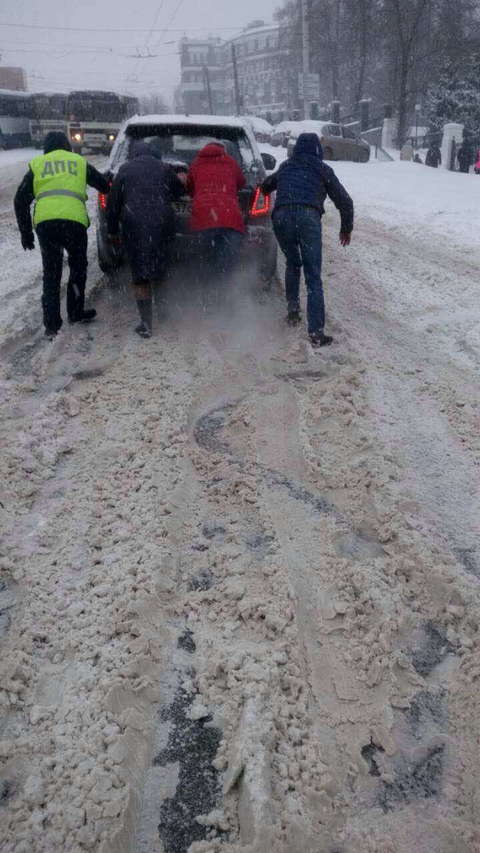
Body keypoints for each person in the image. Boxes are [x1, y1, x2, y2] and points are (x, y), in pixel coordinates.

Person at [14, 131, 110, 339]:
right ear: (67, 145)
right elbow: (103, 185)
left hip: (46, 225)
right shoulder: (78, 161)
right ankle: (75, 313)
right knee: (77, 267)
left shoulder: (38, 164)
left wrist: (26, 233)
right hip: (74, 223)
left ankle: (51, 324)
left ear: (46, 147)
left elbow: (20, 199)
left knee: (51, 272)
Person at [261, 132, 353, 347]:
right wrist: (345, 229)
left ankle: (293, 312)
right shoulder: (322, 169)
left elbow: (265, 186)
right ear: (317, 150)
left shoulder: (286, 166)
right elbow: (345, 201)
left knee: (293, 263)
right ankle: (316, 333)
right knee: (313, 275)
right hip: (307, 218)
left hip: (281, 217)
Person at [106, 141, 186, 339]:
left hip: (134, 225)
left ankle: (146, 322)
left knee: (140, 274)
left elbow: (113, 204)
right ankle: (164, 314)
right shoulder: (164, 168)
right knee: (160, 268)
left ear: (134, 154)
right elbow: (179, 191)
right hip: (162, 223)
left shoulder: (125, 169)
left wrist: (113, 232)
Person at [186, 142, 246, 280]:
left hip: (203, 218)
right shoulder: (230, 162)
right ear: (223, 150)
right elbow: (242, 182)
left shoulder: (196, 163)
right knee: (227, 261)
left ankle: (205, 289)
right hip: (230, 219)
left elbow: (190, 188)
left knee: (204, 258)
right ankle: (224, 290)